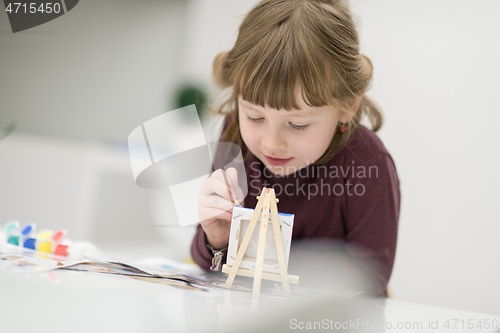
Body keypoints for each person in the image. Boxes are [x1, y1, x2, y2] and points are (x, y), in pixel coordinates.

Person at [191, 0, 400, 296]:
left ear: (348, 106)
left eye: (298, 125)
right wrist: (217, 239)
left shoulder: (366, 159)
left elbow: (371, 276)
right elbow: (207, 261)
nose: (272, 142)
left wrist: (266, 259)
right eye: (255, 116)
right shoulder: (235, 134)